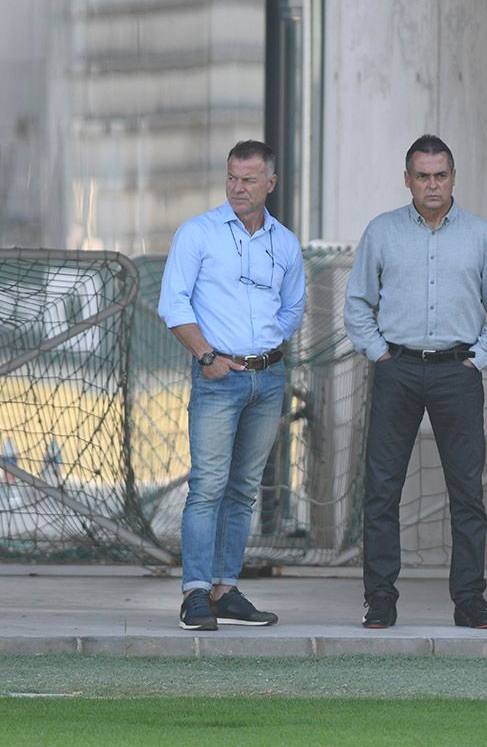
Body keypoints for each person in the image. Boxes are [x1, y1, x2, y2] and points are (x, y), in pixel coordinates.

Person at [344, 134, 487, 629]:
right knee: (381, 490)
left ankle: (470, 601)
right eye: (422, 176)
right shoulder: (381, 232)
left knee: (467, 492)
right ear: (407, 181)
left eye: (440, 175)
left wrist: (477, 358)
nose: (432, 184)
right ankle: (380, 599)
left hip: (457, 373)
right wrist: (380, 354)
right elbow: (357, 303)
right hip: (396, 369)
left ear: (454, 177)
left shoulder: (482, 236)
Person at [158, 139, 305, 630]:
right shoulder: (197, 234)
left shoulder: (284, 243)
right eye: (231, 178)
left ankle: (226, 587)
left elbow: (292, 308)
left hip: (268, 379)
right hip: (217, 379)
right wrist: (208, 356)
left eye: (248, 179)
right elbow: (173, 303)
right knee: (207, 487)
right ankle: (195, 593)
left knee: (243, 489)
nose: (238, 188)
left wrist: (265, 349)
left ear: (270, 183)